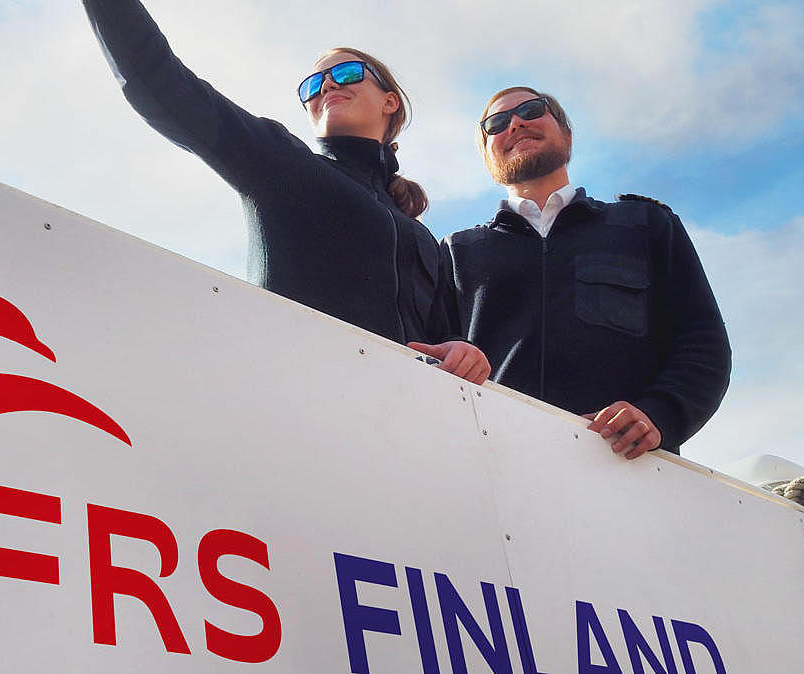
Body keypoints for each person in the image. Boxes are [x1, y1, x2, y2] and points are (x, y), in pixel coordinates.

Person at [81, 0, 489, 384]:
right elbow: (161, 83)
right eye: (313, 84)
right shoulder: (283, 163)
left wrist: (463, 351)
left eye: (347, 73)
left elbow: (446, 339)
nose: (327, 84)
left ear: (390, 102)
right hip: (293, 401)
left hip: (409, 418)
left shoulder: (423, 239)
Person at [416, 87, 731, 459]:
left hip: (627, 465)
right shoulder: (455, 252)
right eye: (496, 124)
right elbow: (428, 348)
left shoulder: (645, 224)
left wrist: (660, 414)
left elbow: (702, 342)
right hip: (493, 462)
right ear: (487, 156)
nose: (515, 124)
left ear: (566, 133)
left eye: (531, 110)